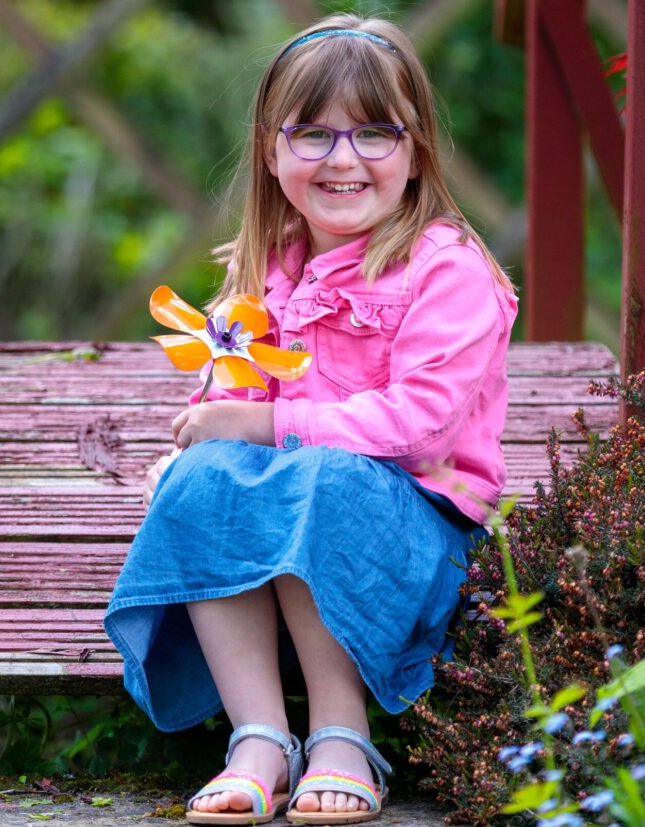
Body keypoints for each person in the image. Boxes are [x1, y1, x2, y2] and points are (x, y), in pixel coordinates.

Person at [104, 13, 517, 826]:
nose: (343, 159)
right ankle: (259, 734)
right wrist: (201, 448)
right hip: (290, 528)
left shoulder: (448, 271)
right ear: (271, 150)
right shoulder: (269, 266)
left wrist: (263, 428)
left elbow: (421, 425)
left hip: (413, 541)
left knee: (318, 475)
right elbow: (233, 400)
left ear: (418, 148)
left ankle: (341, 731)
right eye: (313, 135)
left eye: (373, 133)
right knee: (206, 476)